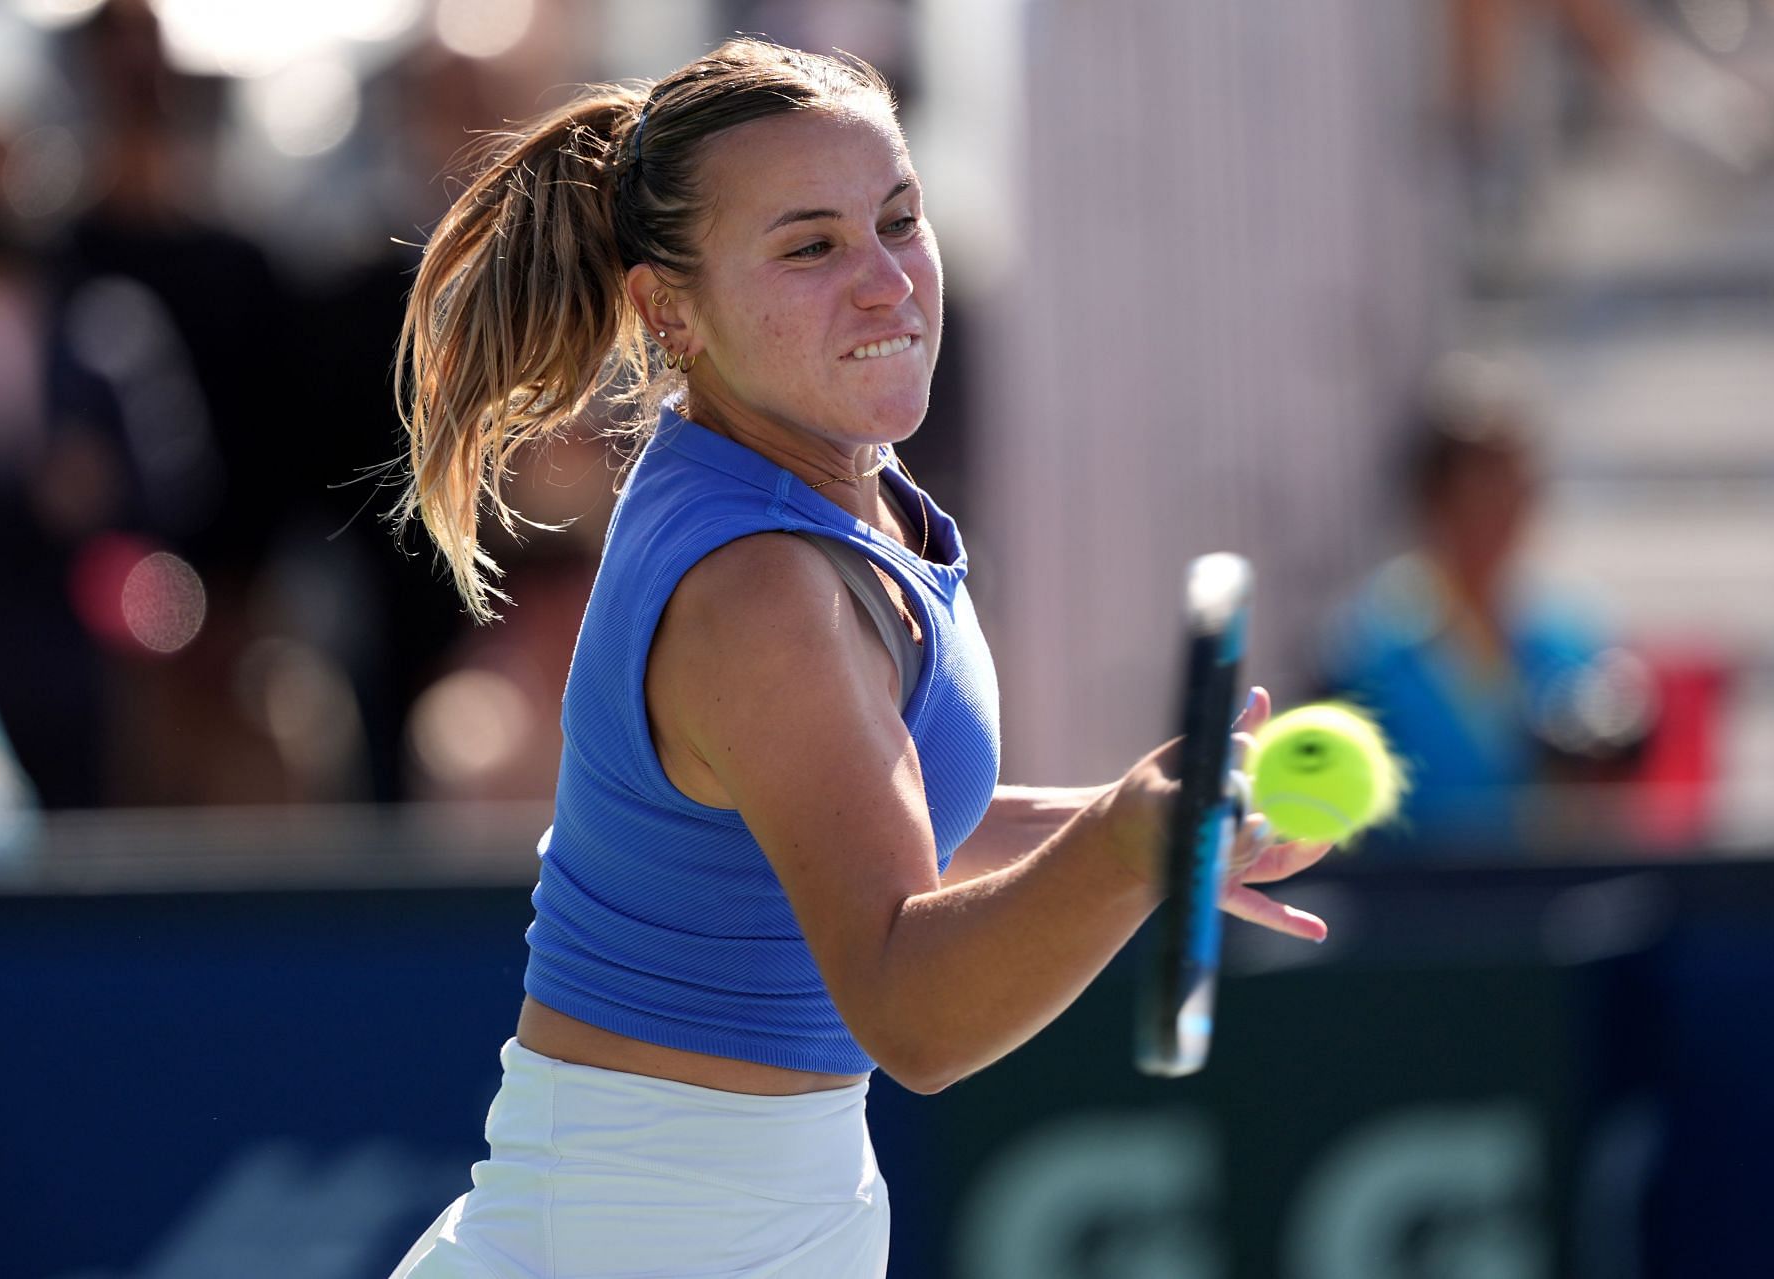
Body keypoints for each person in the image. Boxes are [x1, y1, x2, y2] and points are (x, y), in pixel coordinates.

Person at [389, 38, 1330, 1278]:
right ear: (671, 308)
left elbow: (883, 816)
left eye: (899, 220)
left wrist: (1150, 818)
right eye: (810, 245)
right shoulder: (763, 590)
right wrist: (1123, 844)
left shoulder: (830, 494)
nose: (888, 281)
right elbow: (915, 1013)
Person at [1318, 354, 1657, 858]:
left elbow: (1613, 815)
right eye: (1482, 483)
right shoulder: (1367, 646)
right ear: (1435, 495)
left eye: (1515, 482)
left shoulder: (1574, 632)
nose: (1503, 506)